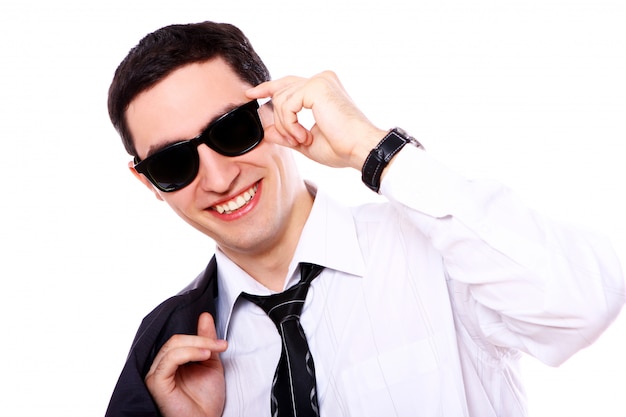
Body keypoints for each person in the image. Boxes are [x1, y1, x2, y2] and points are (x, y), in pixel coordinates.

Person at [104, 21, 625, 417]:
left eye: (232, 129)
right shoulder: (169, 359)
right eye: (173, 162)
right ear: (148, 182)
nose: (218, 178)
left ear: (272, 108)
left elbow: (582, 303)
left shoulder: (437, 246)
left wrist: (373, 151)